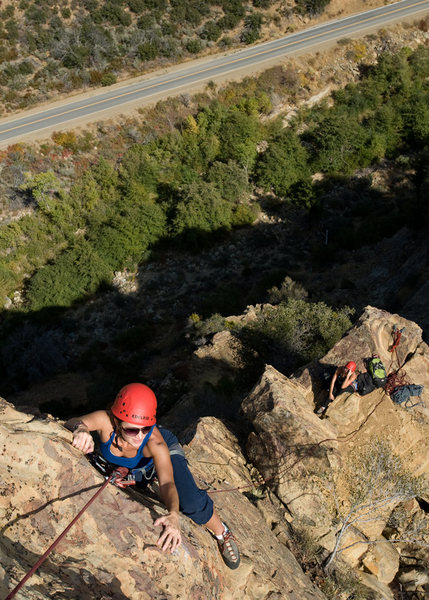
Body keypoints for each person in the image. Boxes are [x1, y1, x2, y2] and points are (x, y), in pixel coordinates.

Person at [65, 383, 240, 569]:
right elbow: (73, 422)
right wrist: (81, 429)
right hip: (138, 466)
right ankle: (142, 475)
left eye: (146, 428)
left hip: (163, 455)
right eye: (132, 430)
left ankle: (223, 532)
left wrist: (173, 515)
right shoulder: (105, 421)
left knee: (191, 502)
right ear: (116, 422)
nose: (140, 436)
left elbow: (166, 483)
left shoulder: (155, 442)